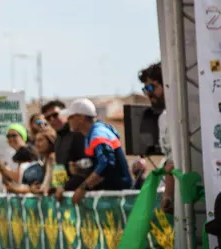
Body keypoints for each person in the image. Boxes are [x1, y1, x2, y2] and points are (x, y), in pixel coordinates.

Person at [59, 98, 132, 204]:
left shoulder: (98, 133)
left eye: (70, 117)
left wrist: (83, 188)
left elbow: (106, 163)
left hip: (117, 196)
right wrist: (81, 170)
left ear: (80, 117)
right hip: (112, 195)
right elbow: (100, 164)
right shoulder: (91, 134)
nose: (67, 120)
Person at [138, 62, 175, 213]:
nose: (148, 93)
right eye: (145, 89)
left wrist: (168, 194)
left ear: (166, 84)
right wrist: (168, 195)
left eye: (151, 87)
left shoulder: (188, 114)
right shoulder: (163, 118)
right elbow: (170, 160)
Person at [41, 100, 87, 192]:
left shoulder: (77, 134)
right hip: (65, 195)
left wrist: (64, 188)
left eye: (55, 115)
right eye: (48, 118)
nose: (52, 120)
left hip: (82, 192)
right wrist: (57, 187)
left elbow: (85, 169)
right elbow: (60, 168)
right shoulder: (58, 139)